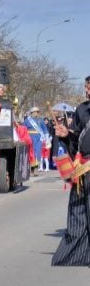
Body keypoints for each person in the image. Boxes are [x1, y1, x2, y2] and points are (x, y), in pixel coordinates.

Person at [52, 112, 90, 267]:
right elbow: (79, 143)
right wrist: (66, 136)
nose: (87, 90)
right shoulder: (83, 110)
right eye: (87, 87)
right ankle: (80, 253)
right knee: (79, 213)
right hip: (83, 169)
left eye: (89, 86)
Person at [23, 107, 49, 173]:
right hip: (30, 138)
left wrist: (47, 139)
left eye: (37, 112)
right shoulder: (27, 120)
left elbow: (45, 130)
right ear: (32, 113)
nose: (36, 113)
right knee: (31, 153)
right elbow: (23, 129)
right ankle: (31, 168)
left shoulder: (41, 120)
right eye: (35, 112)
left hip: (38, 138)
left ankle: (36, 168)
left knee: (37, 152)